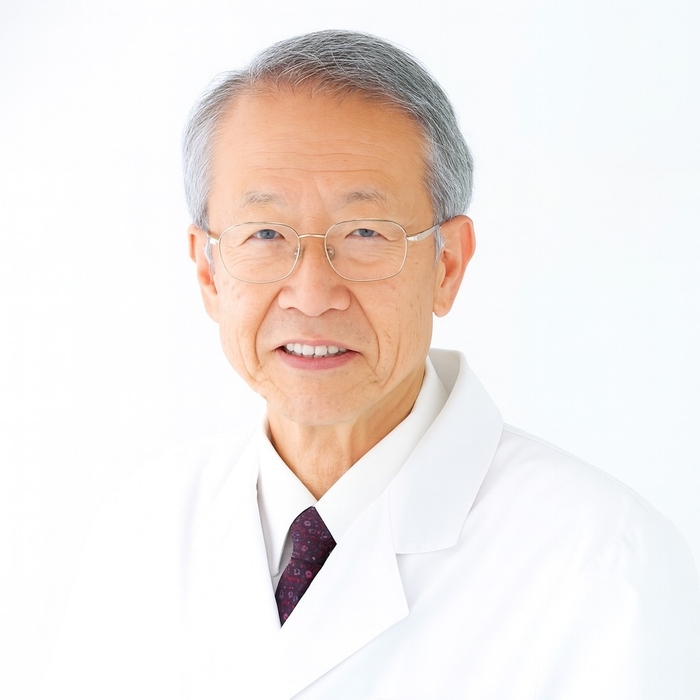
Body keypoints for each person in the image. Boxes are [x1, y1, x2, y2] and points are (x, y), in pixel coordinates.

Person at [42, 29, 700, 699]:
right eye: (265, 234)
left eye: (364, 234)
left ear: (447, 264)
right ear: (209, 272)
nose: (312, 294)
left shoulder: (605, 567)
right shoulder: (141, 532)